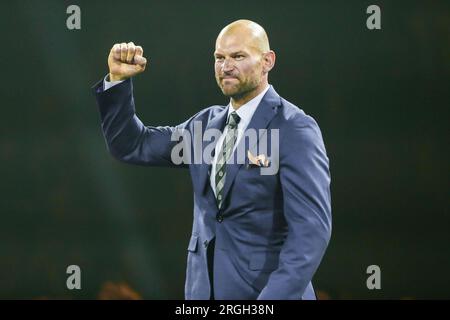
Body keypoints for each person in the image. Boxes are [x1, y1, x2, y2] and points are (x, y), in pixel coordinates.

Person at [92, 19, 331, 300]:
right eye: (219, 57)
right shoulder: (205, 126)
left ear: (267, 61)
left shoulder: (294, 128)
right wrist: (119, 81)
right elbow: (132, 144)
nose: (226, 66)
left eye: (238, 56)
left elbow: (311, 232)